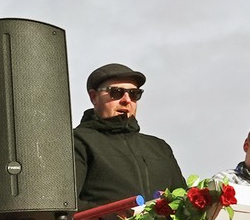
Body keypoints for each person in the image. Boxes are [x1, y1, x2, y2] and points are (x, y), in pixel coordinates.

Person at [71, 63, 187, 208]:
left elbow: (183, 202)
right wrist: (118, 216)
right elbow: (65, 206)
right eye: (116, 92)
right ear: (94, 97)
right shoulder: (76, 141)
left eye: (134, 94)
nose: (126, 100)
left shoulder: (160, 147)